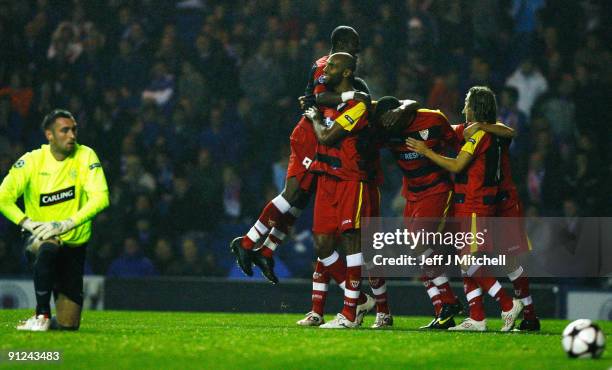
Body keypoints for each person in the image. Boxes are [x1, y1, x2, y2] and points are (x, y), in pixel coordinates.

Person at [230, 25, 370, 284]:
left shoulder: (341, 71)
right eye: (353, 44)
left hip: (322, 137)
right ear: (339, 43)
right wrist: (352, 95)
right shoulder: (326, 65)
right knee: (292, 194)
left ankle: (267, 250)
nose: (357, 50)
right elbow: (318, 99)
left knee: (300, 201)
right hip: (309, 135)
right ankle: (248, 242)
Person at [407, 86, 523, 331]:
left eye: (467, 104)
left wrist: (425, 151)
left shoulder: (480, 135)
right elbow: (505, 131)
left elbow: (458, 165)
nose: (463, 108)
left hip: (474, 204)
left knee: (469, 261)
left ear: (475, 107)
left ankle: (506, 303)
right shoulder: (487, 132)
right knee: (467, 262)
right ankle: (477, 318)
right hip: (472, 203)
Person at [0, 109, 109, 331]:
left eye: (74, 130)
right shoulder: (31, 161)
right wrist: (28, 223)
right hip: (40, 238)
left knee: (69, 325)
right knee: (48, 246)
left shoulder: (86, 156)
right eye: (65, 130)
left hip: (74, 245)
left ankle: (50, 320)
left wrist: (66, 224)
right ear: (49, 135)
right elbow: (3, 198)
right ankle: (41, 315)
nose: (72, 135)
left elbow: (101, 198)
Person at [302, 52, 379, 328]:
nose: (327, 70)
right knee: (322, 245)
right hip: (326, 179)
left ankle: (349, 313)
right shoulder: (330, 100)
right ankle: (358, 299)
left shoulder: (358, 106)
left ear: (346, 72)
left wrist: (314, 119)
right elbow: (317, 99)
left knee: (351, 242)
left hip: (349, 179)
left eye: (333, 66)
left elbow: (328, 137)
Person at [374, 97, 464, 329]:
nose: (387, 126)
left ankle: (450, 301)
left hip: (437, 189)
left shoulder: (433, 119)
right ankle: (443, 312)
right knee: (419, 254)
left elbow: (459, 148)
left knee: (418, 245)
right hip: (411, 194)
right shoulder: (385, 130)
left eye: (390, 120)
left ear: (400, 113)